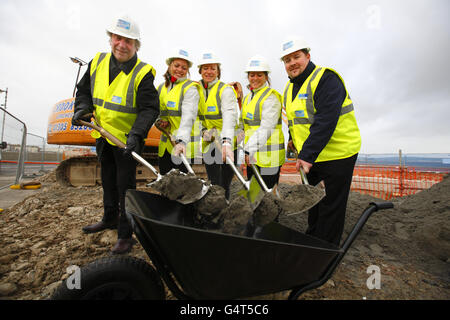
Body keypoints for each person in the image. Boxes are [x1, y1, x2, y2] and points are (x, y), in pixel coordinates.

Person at [71, 15, 160, 254]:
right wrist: (82, 108)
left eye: (128, 41)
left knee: (125, 187)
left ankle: (125, 234)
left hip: (126, 141)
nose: (122, 44)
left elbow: (150, 108)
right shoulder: (97, 62)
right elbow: (83, 92)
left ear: (136, 46)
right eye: (118, 38)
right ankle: (109, 218)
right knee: (108, 181)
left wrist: (137, 134)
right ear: (111, 39)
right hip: (102, 136)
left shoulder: (143, 73)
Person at [280, 36, 361, 246]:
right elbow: (295, 120)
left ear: (307, 56)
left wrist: (306, 155)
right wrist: (293, 141)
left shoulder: (326, 79)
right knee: (313, 202)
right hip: (313, 155)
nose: (292, 63)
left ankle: (325, 251)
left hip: (338, 153)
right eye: (287, 60)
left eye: (296, 57)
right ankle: (312, 240)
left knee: (330, 205)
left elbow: (326, 120)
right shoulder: (289, 89)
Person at [197, 51, 239, 200]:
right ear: (200, 70)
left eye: (213, 68)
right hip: (210, 144)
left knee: (225, 183)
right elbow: (195, 117)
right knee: (215, 183)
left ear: (218, 71)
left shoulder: (225, 90)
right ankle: (216, 211)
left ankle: (226, 208)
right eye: (205, 68)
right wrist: (203, 131)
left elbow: (230, 117)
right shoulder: (196, 91)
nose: (209, 72)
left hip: (228, 144)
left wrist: (226, 141)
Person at [240, 55, 286, 189]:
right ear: (248, 77)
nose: (255, 78)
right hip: (254, 157)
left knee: (268, 197)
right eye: (252, 75)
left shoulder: (271, 97)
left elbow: (267, 127)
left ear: (266, 77)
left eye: (259, 75)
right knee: (254, 192)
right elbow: (244, 126)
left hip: (270, 157)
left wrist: (248, 150)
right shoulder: (247, 98)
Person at [155, 48, 203, 175]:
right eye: (176, 66)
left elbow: (188, 116)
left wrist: (181, 141)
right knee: (166, 184)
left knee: (182, 187)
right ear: (169, 66)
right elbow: (158, 112)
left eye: (184, 68)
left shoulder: (190, 88)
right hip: (166, 146)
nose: (180, 70)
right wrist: (159, 121)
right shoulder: (161, 87)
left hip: (184, 146)